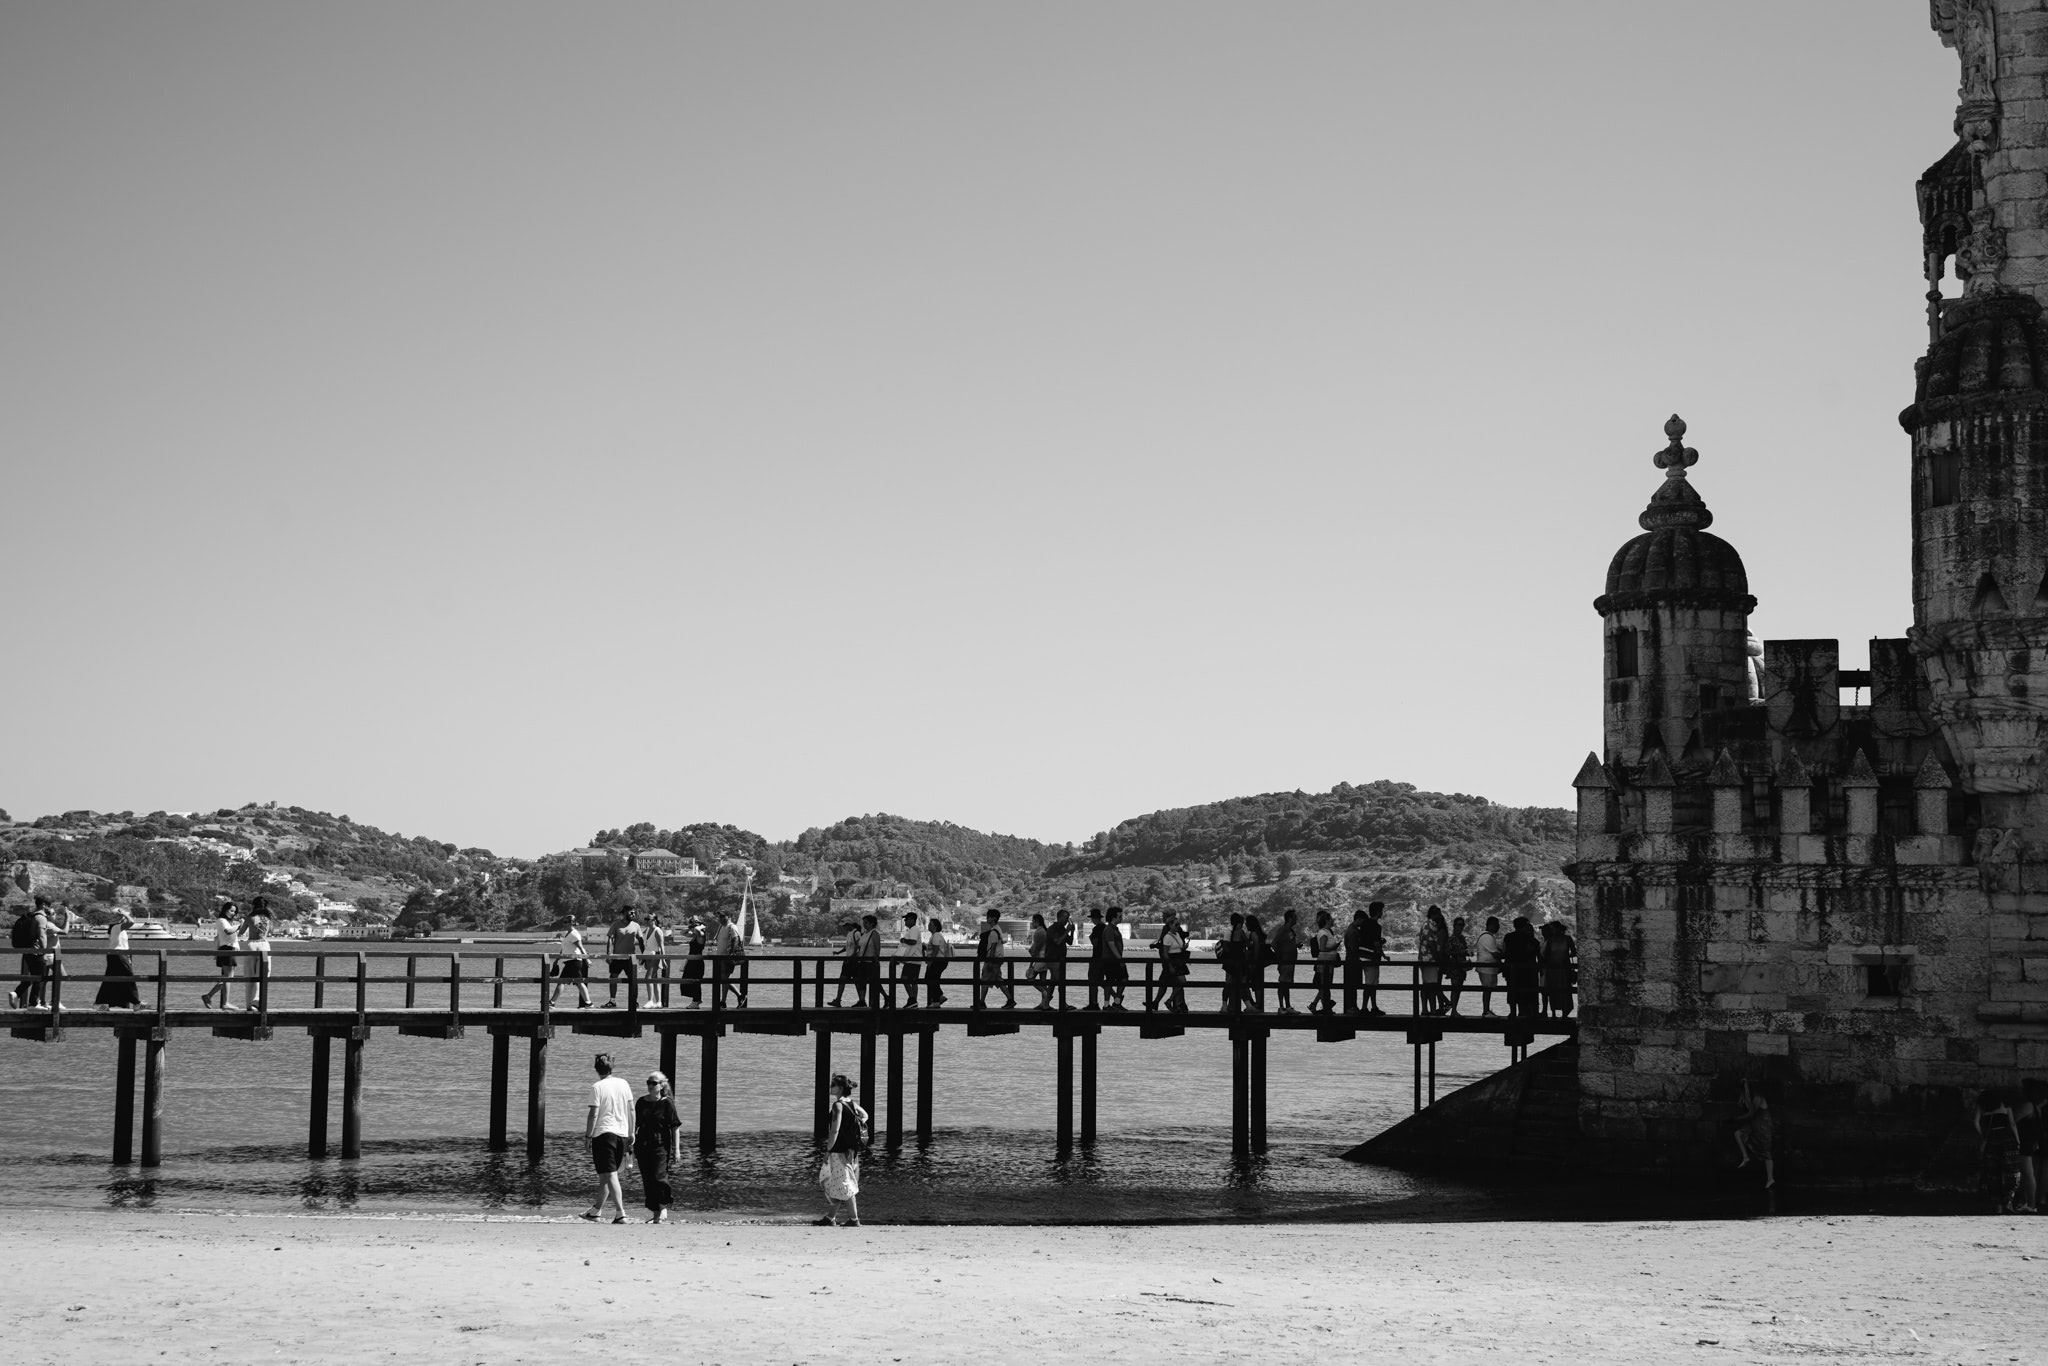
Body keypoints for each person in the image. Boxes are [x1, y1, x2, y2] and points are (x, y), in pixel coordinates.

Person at [582, 1052, 636, 1224]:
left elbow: (594, 1114)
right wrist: (631, 1131)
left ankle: (621, 1213)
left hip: (604, 1134)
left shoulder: (597, 1087)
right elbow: (631, 1109)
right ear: (612, 1067)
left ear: (596, 1069)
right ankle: (596, 1210)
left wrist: (588, 1136)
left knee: (610, 1174)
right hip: (621, 1133)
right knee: (606, 1174)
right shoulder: (624, 1083)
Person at [816, 1073, 868, 1228]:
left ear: (839, 1088)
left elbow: (834, 1131)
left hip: (839, 1151)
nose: (830, 1088)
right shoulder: (851, 1103)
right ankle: (830, 1217)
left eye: (832, 1085)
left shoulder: (838, 1105)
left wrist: (827, 1150)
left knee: (845, 1183)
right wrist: (854, 1123)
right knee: (837, 1182)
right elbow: (865, 1115)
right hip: (851, 1150)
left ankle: (854, 1220)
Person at [634, 1071, 682, 1223]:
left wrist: (677, 1150)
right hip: (642, 1145)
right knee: (647, 1179)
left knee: (659, 1176)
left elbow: (675, 1127)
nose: (650, 1085)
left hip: (661, 1145)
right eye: (648, 1082)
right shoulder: (641, 1102)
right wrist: (629, 1144)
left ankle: (663, 1207)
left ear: (662, 1085)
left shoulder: (667, 1102)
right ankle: (655, 1214)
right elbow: (635, 1125)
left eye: (654, 1083)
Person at [1978, 1088, 2024, 1213]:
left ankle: (1998, 1206)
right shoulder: (2005, 1106)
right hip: (2007, 1140)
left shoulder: (1984, 1108)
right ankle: (2008, 1202)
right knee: (2012, 1172)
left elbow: (1976, 1123)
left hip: (1991, 1140)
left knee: (1993, 1174)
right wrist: (2018, 1141)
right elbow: (2013, 1124)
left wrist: (1983, 1135)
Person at [95, 907, 142, 1010]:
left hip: (115, 955)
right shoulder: (117, 927)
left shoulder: (114, 927)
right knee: (129, 978)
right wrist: (124, 914)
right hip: (119, 955)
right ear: (120, 917)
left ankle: (101, 1004)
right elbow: (132, 922)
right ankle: (136, 1002)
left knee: (110, 980)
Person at [1733, 1079, 1777, 1190]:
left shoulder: (1758, 1098)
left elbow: (1751, 1113)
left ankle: (1770, 1179)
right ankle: (1745, 1157)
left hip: (1763, 1127)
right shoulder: (1748, 1099)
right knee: (1738, 1134)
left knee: (1766, 1152)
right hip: (1754, 1126)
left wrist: (1738, 1118)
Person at [199, 899, 242, 1011]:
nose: (233, 913)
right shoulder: (221, 920)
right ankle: (224, 1002)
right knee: (228, 977)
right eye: (231, 910)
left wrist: (237, 926)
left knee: (228, 977)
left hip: (229, 949)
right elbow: (228, 931)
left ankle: (210, 996)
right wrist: (239, 925)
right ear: (225, 910)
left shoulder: (226, 921)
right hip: (228, 949)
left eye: (234, 912)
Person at [603, 906, 643, 1009]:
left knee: (633, 980)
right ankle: (612, 1001)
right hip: (617, 957)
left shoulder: (636, 926)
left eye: (634, 913)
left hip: (630, 959)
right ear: (625, 913)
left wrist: (644, 956)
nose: (633, 915)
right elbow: (610, 939)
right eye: (631, 913)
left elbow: (641, 941)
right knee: (613, 978)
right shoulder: (616, 925)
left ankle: (634, 1001)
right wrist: (608, 954)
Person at [238, 897, 273, 1012]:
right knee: (263, 974)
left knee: (249, 975)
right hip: (264, 945)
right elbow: (270, 931)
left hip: (251, 945)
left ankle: (249, 1004)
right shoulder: (268, 918)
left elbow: (241, 933)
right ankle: (257, 999)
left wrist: (242, 923)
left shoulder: (250, 917)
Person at [549, 915, 592, 1009]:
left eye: (565, 922)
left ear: (571, 923)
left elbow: (581, 947)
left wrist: (587, 959)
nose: (563, 924)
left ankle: (552, 1002)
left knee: (565, 982)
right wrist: (557, 960)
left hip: (574, 961)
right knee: (577, 982)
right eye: (563, 922)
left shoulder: (574, 934)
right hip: (570, 961)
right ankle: (588, 1003)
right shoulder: (567, 934)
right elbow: (564, 949)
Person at [974, 908, 1013, 1009]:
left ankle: (982, 1002)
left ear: (993, 918)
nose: (987, 918)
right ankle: (1009, 1000)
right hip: (997, 958)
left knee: (985, 979)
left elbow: (993, 948)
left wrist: (990, 962)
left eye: (988, 917)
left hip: (993, 959)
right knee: (997, 979)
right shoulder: (997, 929)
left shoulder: (993, 932)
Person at [1503, 916, 1541, 1019]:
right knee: (1527, 993)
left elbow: (1505, 952)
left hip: (1512, 970)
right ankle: (1527, 1012)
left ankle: (1513, 1012)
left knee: (1513, 991)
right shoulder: (1531, 940)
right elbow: (1537, 955)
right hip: (1528, 971)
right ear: (1524, 926)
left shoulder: (1508, 937)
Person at [1540, 920, 1578, 1017]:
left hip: (1560, 968)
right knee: (1556, 990)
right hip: (1557, 968)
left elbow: (1547, 955)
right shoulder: (1557, 939)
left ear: (1558, 929)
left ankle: (1560, 1013)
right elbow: (1573, 953)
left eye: (1553, 928)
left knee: (1561, 989)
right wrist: (1564, 956)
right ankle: (1554, 1013)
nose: (1551, 930)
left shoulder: (1562, 939)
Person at [1154, 912, 1190, 1013]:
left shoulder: (1178, 934)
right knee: (1180, 982)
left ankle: (1170, 1001)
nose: (1178, 926)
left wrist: (1184, 947)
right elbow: (1165, 953)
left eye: (1179, 924)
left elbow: (1179, 946)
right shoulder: (1167, 936)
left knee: (1176, 982)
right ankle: (1173, 1002)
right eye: (1176, 924)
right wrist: (1169, 965)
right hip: (1173, 961)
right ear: (1170, 925)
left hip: (1179, 960)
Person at [1418, 906, 1449, 1016]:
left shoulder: (1431, 926)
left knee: (1428, 985)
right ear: (1433, 914)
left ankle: (1429, 1009)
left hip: (1427, 958)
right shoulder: (1429, 926)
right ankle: (1431, 1008)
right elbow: (1431, 944)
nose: (1440, 916)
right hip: (1428, 959)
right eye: (1438, 914)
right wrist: (1437, 958)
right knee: (1431, 985)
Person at [1309, 910, 1341, 1015]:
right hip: (1324, 962)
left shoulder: (1328, 932)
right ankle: (1326, 1008)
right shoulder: (1323, 932)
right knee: (1324, 985)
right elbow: (1322, 948)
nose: (1333, 920)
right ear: (1327, 920)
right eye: (1331, 918)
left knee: (1327, 985)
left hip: (1329, 962)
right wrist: (1335, 947)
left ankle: (1322, 1006)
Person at [1270, 907, 1301, 1014]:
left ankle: (1288, 1006)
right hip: (1285, 961)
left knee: (1286, 984)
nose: (1297, 919)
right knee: (1283, 983)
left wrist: (1295, 946)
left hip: (1290, 961)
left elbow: (1287, 944)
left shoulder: (1290, 931)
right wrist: (1280, 957)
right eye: (1295, 917)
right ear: (1289, 918)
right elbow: (1274, 943)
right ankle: (1281, 1007)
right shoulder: (1283, 930)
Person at [1099, 906, 1129, 1010]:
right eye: (1119, 916)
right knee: (1110, 980)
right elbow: (1111, 945)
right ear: (1113, 917)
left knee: (1123, 979)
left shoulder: (1114, 929)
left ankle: (1116, 1002)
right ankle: (1107, 1004)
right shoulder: (1109, 929)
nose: (1121, 918)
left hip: (1115, 959)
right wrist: (1120, 959)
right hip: (1110, 959)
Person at [1361, 903, 1387, 1016]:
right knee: (1371, 984)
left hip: (1363, 956)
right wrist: (1383, 955)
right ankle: (1365, 1007)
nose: (1382, 913)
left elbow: (1367, 939)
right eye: (1381, 911)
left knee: (1370, 983)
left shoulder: (1364, 924)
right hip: (1371, 957)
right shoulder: (1376, 926)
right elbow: (1376, 943)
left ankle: (1372, 1006)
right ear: (1377, 912)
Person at [828, 920, 861, 1008]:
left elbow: (858, 947)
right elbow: (847, 947)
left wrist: (852, 957)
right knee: (842, 979)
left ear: (849, 925)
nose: (844, 927)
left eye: (845, 926)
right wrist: (838, 952)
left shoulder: (856, 933)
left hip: (853, 961)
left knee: (856, 980)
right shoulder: (849, 934)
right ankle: (838, 1000)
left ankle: (861, 1000)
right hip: (848, 960)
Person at [1473, 915, 1503, 1016]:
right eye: (1496, 925)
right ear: (1490, 925)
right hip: (1486, 968)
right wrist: (1502, 956)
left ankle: (1487, 1010)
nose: (1498, 927)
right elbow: (1495, 953)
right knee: (1487, 988)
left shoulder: (1489, 936)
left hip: (1488, 967)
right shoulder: (1487, 937)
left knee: (1488, 988)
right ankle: (1485, 1011)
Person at [1047, 908, 1075, 1010]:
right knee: (1060, 982)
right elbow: (1058, 941)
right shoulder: (1052, 929)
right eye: (1065, 918)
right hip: (1053, 959)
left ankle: (1045, 1004)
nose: (1066, 921)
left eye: (1067, 919)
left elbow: (1070, 942)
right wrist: (1067, 930)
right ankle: (1063, 1004)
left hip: (1060, 960)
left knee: (1053, 983)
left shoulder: (1062, 929)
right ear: (1058, 918)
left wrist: (1071, 932)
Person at [895, 910, 924, 1008]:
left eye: (906, 919)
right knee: (913, 980)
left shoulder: (914, 929)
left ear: (912, 920)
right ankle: (913, 1000)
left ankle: (912, 999)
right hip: (913, 959)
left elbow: (913, 942)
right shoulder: (913, 930)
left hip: (913, 959)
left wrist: (903, 940)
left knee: (905, 979)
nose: (905, 922)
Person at [1444, 915, 1472, 1016]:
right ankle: (1454, 1010)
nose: (1461, 927)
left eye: (1462, 925)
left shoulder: (1462, 938)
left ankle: (1454, 1009)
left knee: (1459, 989)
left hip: (1462, 967)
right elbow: (1448, 952)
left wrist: (1467, 953)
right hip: (1455, 967)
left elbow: (1465, 950)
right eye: (1459, 925)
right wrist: (1461, 952)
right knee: (1455, 988)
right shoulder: (1451, 939)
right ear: (1454, 926)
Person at [1240, 914, 1267, 1014]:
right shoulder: (1259, 933)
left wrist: (1254, 962)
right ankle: (1255, 1004)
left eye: (1247, 923)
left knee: (1255, 984)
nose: (1246, 925)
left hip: (1256, 962)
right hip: (1259, 962)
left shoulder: (1254, 934)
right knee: (1257, 983)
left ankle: (1257, 1005)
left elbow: (1256, 948)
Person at [922, 915, 952, 1006]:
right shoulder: (936, 936)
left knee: (930, 979)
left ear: (935, 926)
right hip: (939, 961)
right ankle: (938, 997)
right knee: (932, 979)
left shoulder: (936, 936)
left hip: (938, 961)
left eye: (930, 924)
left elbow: (935, 949)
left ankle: (936, 1000)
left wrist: (931, 961)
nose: (928, 926)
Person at [641, 912, 669, 1008]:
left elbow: (661, 946)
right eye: (646, 919)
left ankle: (650, 1001)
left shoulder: (657, 931)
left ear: (654, 920)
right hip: (648, 955)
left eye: (648, 919)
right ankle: (659, 1002)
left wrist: (663, 960)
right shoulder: (647, 929)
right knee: (655, 979)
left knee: (648, 978)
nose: (646, 921)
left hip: (655, 955)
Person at [679, 921, 707, 1008]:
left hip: (697, 962)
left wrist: (701, 926)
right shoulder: (694, 935)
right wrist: (690, 927)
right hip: (691, 961)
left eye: (696, 925)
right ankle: (696, 1000)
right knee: (685, 982)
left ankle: (696, 1001)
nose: (694, 927)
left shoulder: (701, 935)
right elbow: (682, 932)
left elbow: (697, 930)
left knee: (695, 982)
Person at [1027, 912, 1052, 1009]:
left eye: (1033, 921)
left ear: (1036, 921)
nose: (1032, 923)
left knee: (1030, 978)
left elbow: (1036, 949)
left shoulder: (1039, 932)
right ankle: (1044, 1003)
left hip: (1040, 958)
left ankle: (1046, 993)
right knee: (1043, 981)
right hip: (1046, 959)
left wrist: (1030, 964)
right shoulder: (1044, 931)